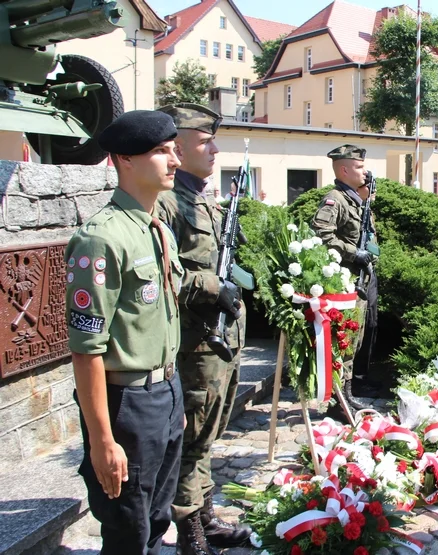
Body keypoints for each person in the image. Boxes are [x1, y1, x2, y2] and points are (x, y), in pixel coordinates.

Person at [66, 110, 185, 554]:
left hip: (164, 394)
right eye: (160, 152)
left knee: (156, 520)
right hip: (127, 404)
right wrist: (102, 441)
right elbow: (86, 350)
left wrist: (175, 401)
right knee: (127, 529)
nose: (174, 161)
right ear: (124, 160)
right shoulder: (101, 240)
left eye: (174, 150)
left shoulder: (157, 229)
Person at [155, 103, 250, 553]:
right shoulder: (167, 202)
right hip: (194, 344)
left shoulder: (199, 196)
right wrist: (214, 285)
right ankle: (190, 536)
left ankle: (207, 519)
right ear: (176, 147)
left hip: (220, 342)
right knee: (192, 440)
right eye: (204, 141)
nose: (214, 149)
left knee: (208, 435)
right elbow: (163, 275)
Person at [310, 144, 378, 420]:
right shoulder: (334, 200)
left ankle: (347, 394)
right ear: (344, 169)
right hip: (347, 280)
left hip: (362, 278)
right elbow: (322, 234)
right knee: (345, 339)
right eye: (360, 167)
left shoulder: (356, 200)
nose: (366, 171)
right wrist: (354, 252)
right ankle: (338, 399)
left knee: (358, 336)